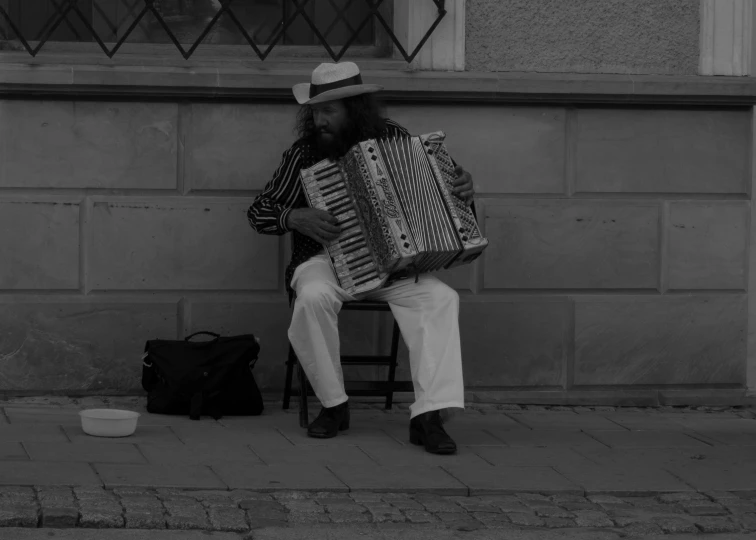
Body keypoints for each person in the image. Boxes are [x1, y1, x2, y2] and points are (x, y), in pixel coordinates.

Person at [247, 61, 475, 455]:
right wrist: (294, 216)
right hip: (325, 262)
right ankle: (334, 406)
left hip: (394, 266)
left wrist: (462, 184)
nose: (319, 119)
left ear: (354, 108)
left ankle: (429, 417)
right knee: (313, 296)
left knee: (441, 299)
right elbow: (259, 211)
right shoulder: (304, 154)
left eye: (328, 110)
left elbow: (441, 187)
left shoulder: (396, 138)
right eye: (315, 111)